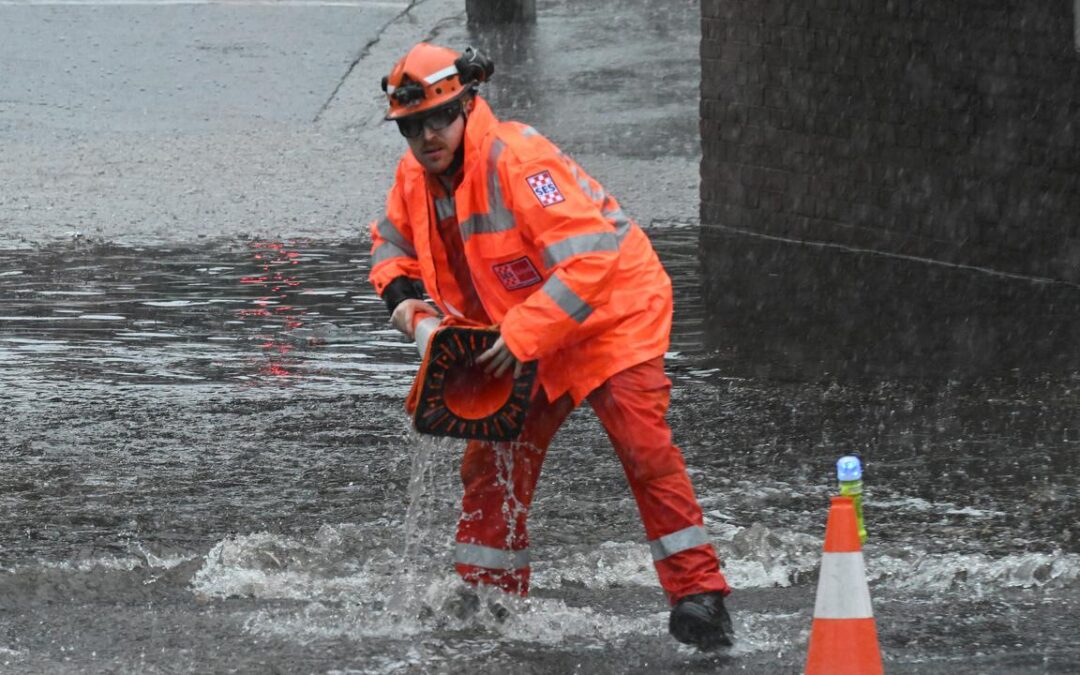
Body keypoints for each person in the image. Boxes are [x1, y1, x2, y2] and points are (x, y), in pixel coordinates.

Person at [367, 42, 734, 650]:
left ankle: (700, 596)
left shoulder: (517, 158)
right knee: (490, 464)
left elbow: (592, 258)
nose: (427, 136)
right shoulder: (414, 178)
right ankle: (486, 598)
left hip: (612, 319)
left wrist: (520, 334)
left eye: (437, 119)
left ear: (466, 105)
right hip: (523, 333)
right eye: (412, 127)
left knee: (645, 449)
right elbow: (389, 252)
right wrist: (416, 317)